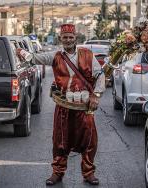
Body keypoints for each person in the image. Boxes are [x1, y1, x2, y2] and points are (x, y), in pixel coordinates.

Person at [17, 24, 105, 186]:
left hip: (84, 108)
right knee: (60, 141)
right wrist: (21, 52)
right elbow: (35, 58)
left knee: (89, 140)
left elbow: (100, 74)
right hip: (63, 107)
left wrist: (96, 94)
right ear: (60, 39)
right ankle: (57, 173)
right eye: (65, 37)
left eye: (71, 37)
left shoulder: (87, 54)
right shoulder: (55, 56)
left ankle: (89, 173)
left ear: (76, 38)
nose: (68, 40)